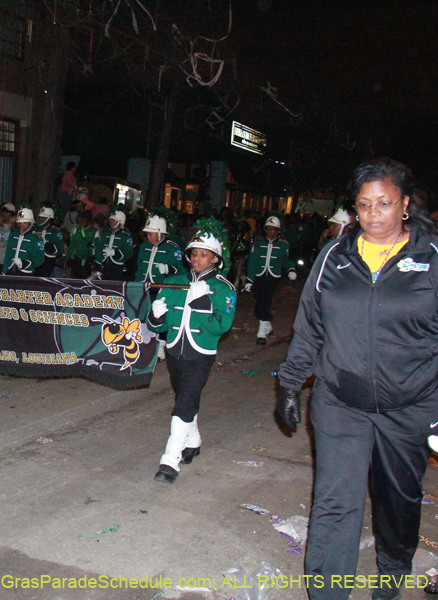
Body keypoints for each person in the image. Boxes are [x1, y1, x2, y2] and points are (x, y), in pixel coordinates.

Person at [277, 158, 438, 600]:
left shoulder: (432, 257)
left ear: (404, 204)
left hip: (411, 405)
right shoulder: (335, 255)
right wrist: (291, 382)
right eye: (364, 204)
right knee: (334, 503)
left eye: (384, 203)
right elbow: (310, 323)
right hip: (340, 401)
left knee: (397, 501)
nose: (373, 214)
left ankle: (391, 573)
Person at [146, 219, 236, 484]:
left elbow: (221, 326)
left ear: (215, 259)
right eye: (194, 253)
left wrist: (202, 302)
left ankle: (170, 460)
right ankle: (193, 441)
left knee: (184, 400)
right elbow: (157, 325)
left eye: (203, 254)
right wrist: (155, 314)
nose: (197, 259)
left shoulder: (223, 288)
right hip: (175, 349)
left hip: (201, 353)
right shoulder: (174, 281)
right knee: (186, 394)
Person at [135, 209, 185, 361]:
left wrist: (168, 269)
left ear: (160, 233)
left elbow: (180, 269)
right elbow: (139, 267)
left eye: (151, 233)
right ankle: (144, 344)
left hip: (162, 288)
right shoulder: (144, 246)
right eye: (147, 233)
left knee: (162, 316)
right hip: (145, 286)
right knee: (143, 314)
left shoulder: (172, 247)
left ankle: (161, 347)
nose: (148, 236)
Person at [244, 215, 296, 345]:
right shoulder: (259, 243)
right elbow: (252, 262)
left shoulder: (283, 245)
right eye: (268, 229)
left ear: (278, 230)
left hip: (273, 277)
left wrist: (291, 269)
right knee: (258, 303)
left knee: (265, 302)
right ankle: (268, 325)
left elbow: (285, 260)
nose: (270, 232)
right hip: (259, 276)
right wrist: (249, 280)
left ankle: (262, 333)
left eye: (273, 229)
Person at [3, 208, 45, 276]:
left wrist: (25, 263)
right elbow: (7, 253)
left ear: (31, 223)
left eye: (25, 222)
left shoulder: (37, 238)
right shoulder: (13, 234)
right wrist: (4, 271)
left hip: (26, 272)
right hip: (10, 270)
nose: (21, 225)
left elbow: (40, 258)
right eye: (20, 223)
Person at [93, 210, 133, 281]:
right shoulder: (105, 233)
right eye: (110, 219)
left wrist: (115, 253)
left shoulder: (125, 236)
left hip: (117, 267)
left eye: (113, 220)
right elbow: (100, 249)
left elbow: (129, 253)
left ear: (119, 222)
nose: (110, 221)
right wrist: (97, 265)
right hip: (104, 265)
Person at [66, 211, 95, 278]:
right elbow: (72, 245)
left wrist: (95, 262)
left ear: (88, 221)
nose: (82, 221)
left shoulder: (94, 232)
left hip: (88, 259)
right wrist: (67, 258)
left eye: (84, 220)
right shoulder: (77, 230)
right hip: (77, 259)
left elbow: (97, 248)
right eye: (81, 219)